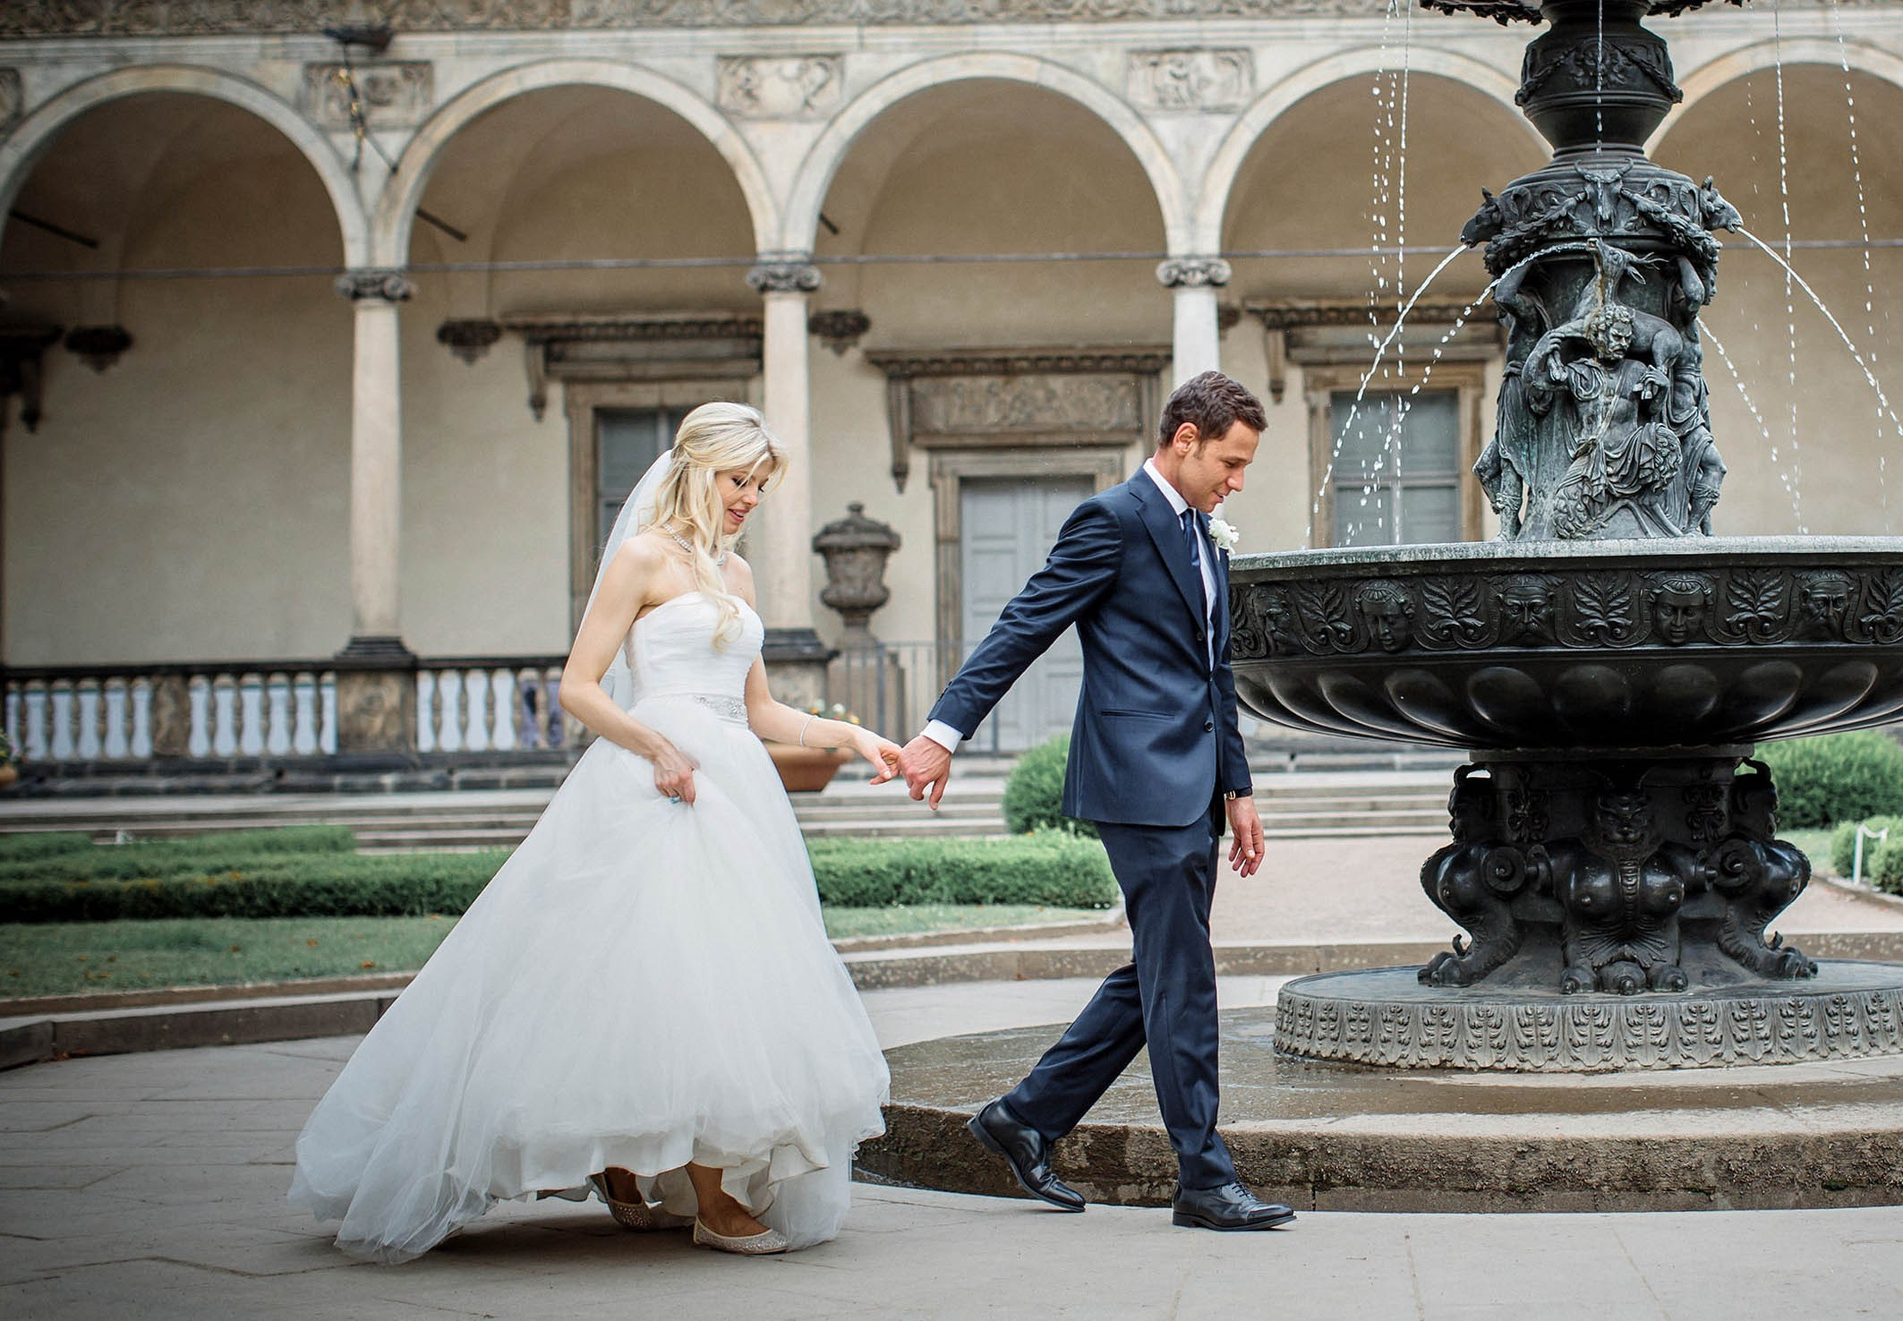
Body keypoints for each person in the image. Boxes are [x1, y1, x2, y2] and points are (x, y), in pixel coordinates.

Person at [289, 402, 900, 1262]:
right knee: (657, 977)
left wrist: (853, 735)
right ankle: (709, 1198)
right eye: (739, 481)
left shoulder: (741, 576)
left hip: (734, 789)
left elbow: (760, 708)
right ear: (696, 469)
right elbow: (580, 685)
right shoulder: (643, 557)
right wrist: (654, 741)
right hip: (654, 785)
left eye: (761, 486)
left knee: (719, 980)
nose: (750, 499)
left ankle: (637, 1170)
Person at [894, 371, 1291, 1231]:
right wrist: (943, 732)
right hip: (1136, 780)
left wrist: (1240, 787)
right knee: (1181, 972)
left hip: (1195, 787)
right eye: (1230, 460)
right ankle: (1204, 1176)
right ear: (1184, 438)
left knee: (1164, 968)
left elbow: (1214, 672)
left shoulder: (1205, 535)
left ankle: (1027, 1115)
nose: (1238, 481)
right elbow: (1023, 624)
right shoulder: (1113, 521)